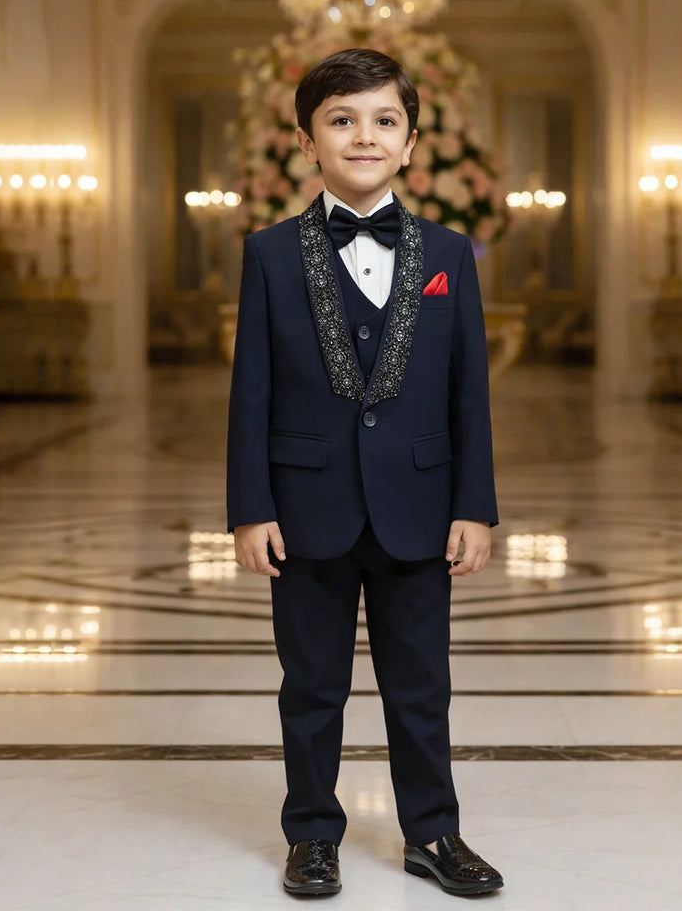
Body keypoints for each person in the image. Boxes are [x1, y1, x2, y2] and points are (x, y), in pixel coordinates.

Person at [227, 48, 503, 898]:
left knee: (421, 686)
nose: (364, 135)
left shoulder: (450, 250)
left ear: (412, 141)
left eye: (384, 120)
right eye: (342, 120)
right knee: (311, 687)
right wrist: (250, 507)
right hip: (306, 507)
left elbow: (469, 393)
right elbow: (251, 391)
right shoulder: (271, 254)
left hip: (421, 507)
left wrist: (476, 506)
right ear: (307, 141)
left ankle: (434, 832)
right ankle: (312, 833)